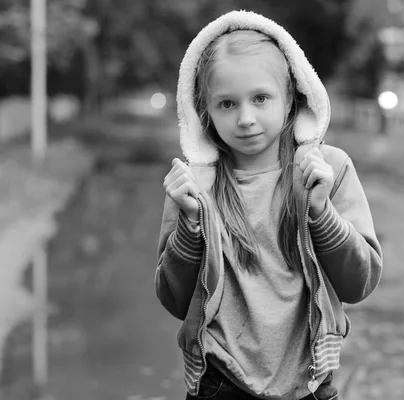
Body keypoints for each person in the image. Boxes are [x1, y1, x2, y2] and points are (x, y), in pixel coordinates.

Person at [155, 10, 383, 400]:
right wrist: (191, 226)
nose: (246, 118)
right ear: (204, 109)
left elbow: (359, 283)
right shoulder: (195, 185)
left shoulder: (329, 169)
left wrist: (321, 213)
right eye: (227, 104)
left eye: (261, 98)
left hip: (309, 384)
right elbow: (175, 300)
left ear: (291, 95)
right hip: (219, 383)